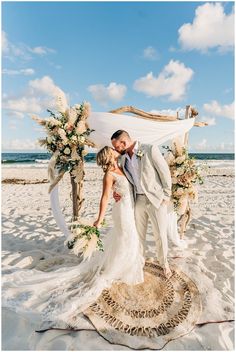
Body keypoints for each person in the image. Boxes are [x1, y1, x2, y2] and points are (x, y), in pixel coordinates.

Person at [2, 146, 145, 330]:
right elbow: (104, 198)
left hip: (129, 207)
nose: (115, 150)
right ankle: (119, 270)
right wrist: (99, 220)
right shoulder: (109, 174)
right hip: (122, 211)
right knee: (127, 238)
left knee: (127, 239)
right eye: (112, 149)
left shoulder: (122, 166)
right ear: (109, 156)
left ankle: (125, 265)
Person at [111, 130, 172, 279]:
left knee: (160, 235)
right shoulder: (123, 159)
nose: (115, 149)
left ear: (124, 142)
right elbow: (122, 179)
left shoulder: (150, 149)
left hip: (156, 200)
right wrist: (117, 191)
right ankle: (140, 260)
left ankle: (164, 264)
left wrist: (166, 195)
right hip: (137, 200)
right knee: (138, 234)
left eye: (117, 146)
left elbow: (165, 172)